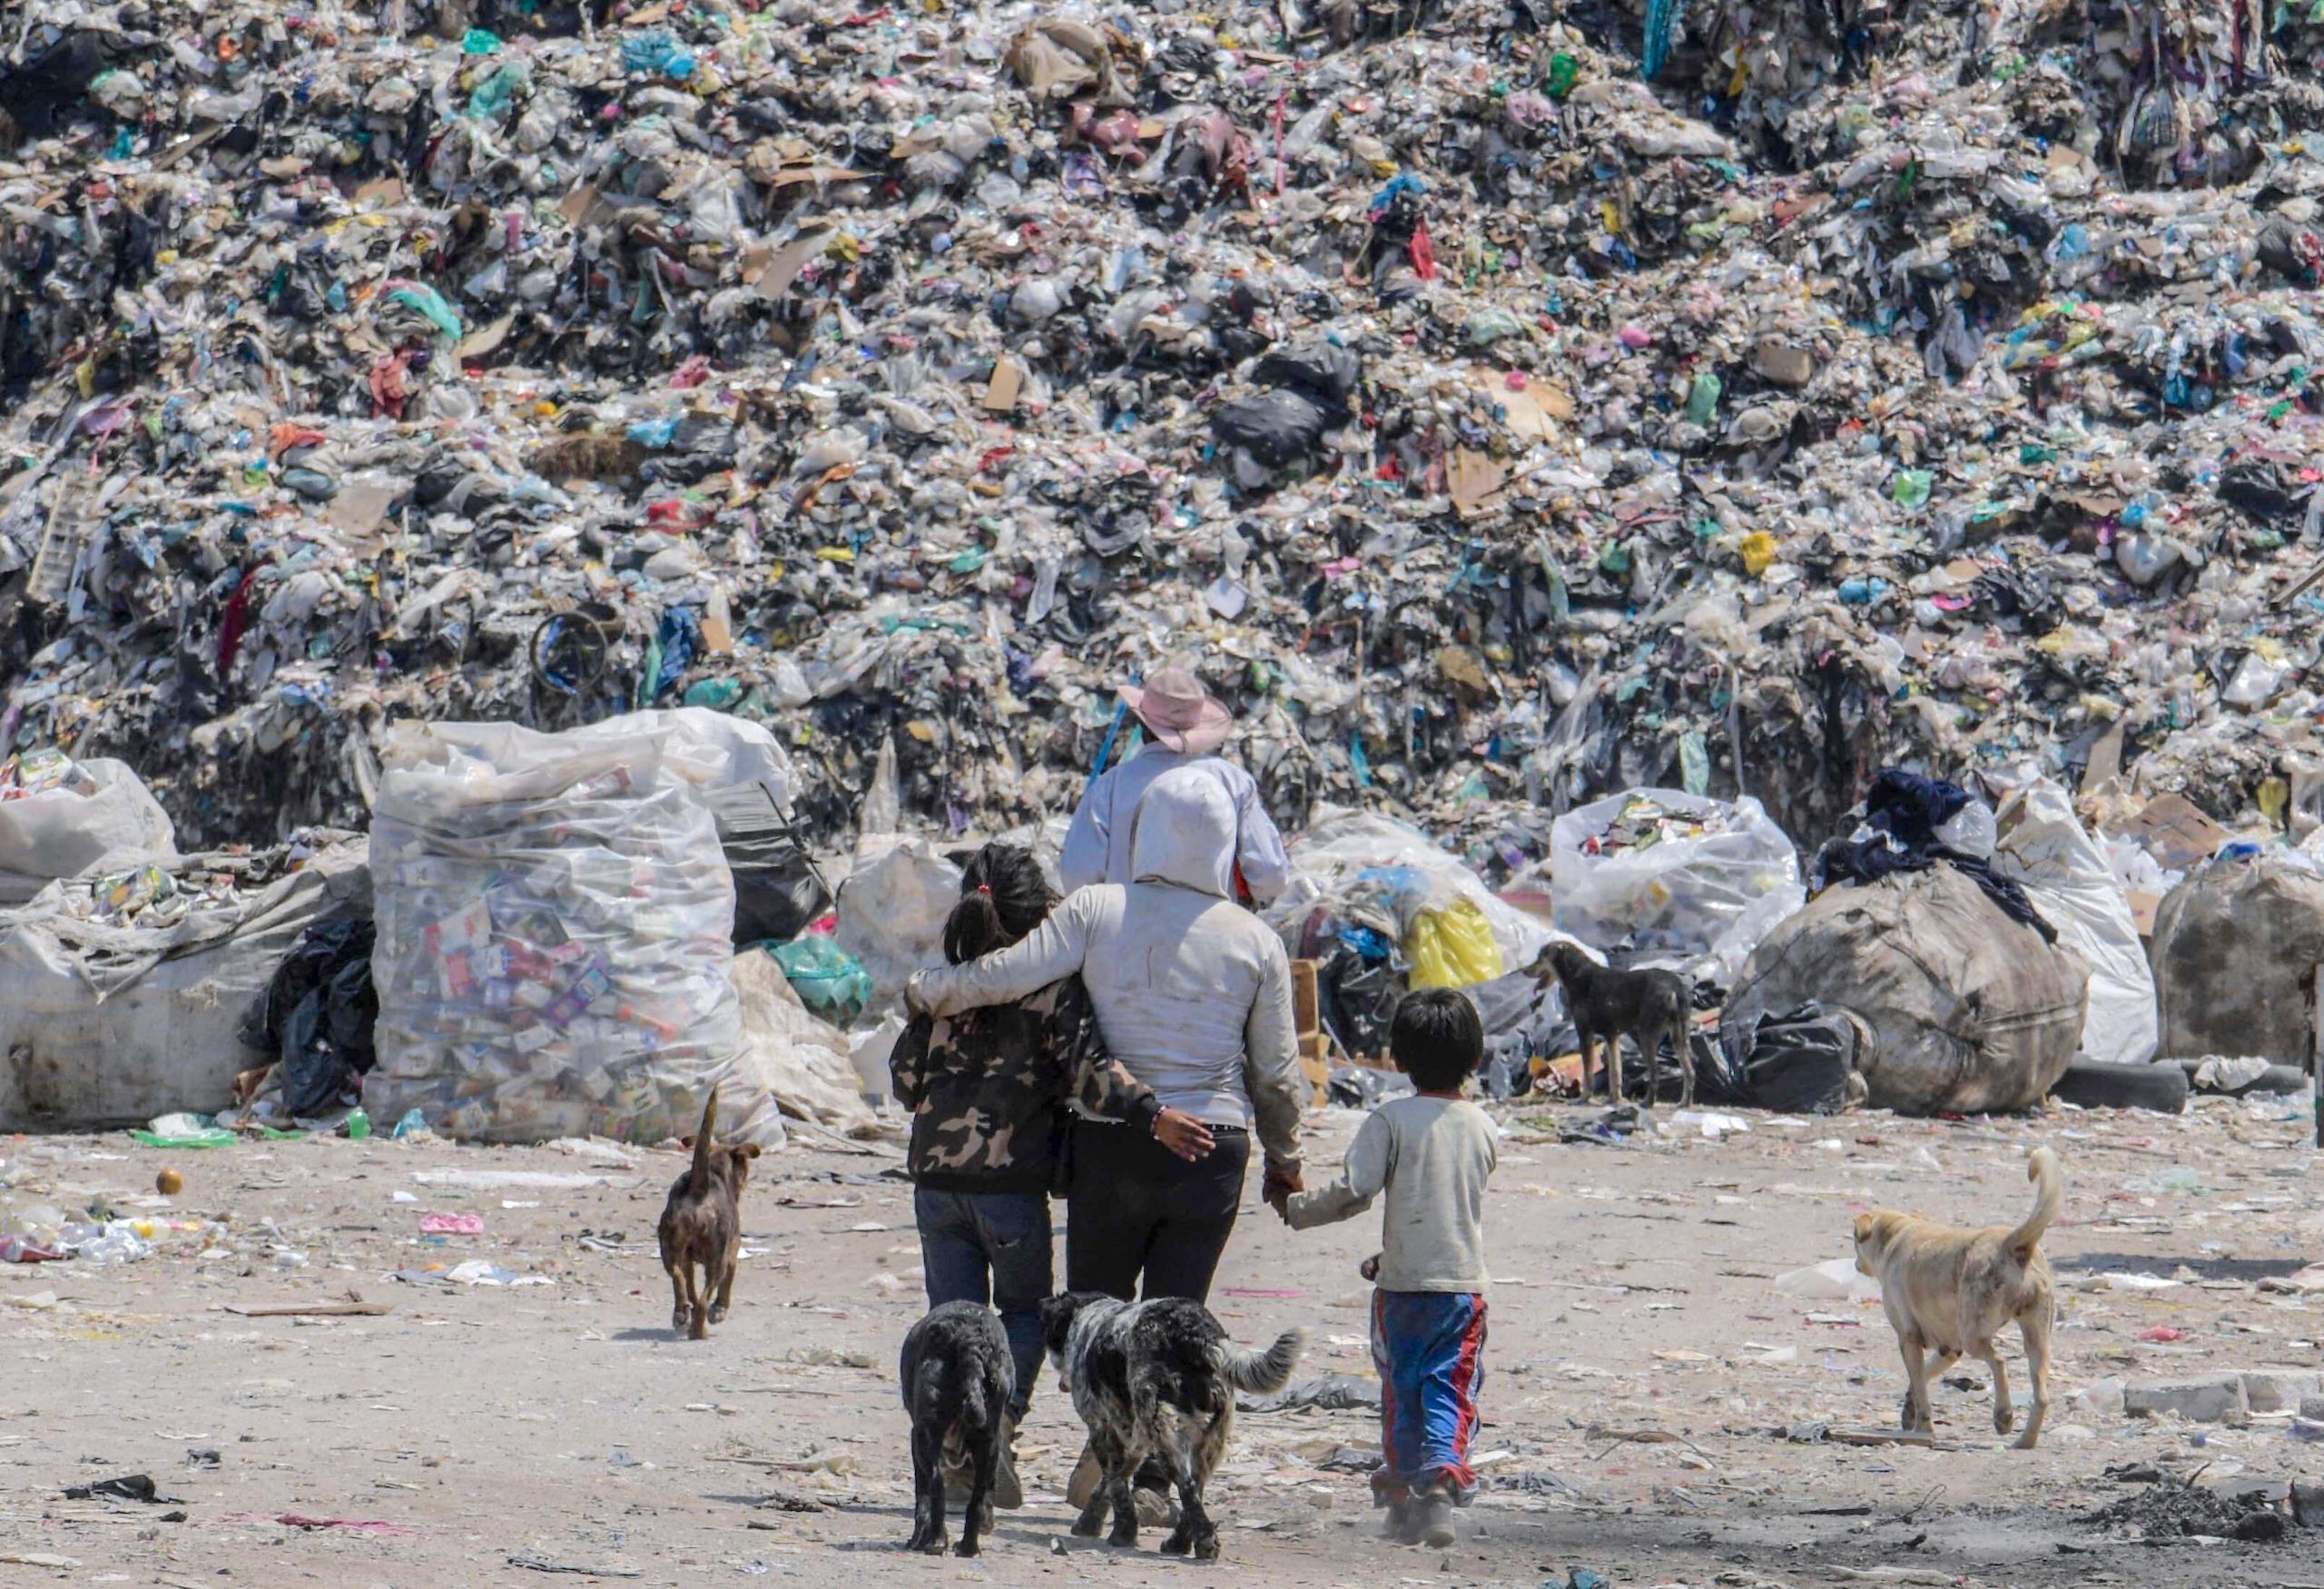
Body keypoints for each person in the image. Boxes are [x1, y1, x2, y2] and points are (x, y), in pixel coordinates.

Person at [909, 768, 1306, 1524]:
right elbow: (1277, 1073)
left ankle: (1105, 1459)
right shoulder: (1256, 939)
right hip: (1213, 1147)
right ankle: (1151, 1481)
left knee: (1098, 1320)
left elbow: (1004, 975)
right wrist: (1285, 1160)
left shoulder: (1097, 909)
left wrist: (926, 991)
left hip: (1112, 1143)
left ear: (1141, 833)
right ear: (1225, 846)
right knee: (1177, 1315)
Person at [888, 843, 1216, 1509]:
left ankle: (954, 1449)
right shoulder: (1048, 994)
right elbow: (1093, 1071)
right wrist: (1154, 1114)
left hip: (934, 1186)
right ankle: (999, 1428)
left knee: (951, 1320)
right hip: (1009, 1190)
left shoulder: (945, 986)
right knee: (1023, 1315)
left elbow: (902, 1080)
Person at [1274, 989, 1497, 1549]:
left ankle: (1401, 1497)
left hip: (1400, 1291)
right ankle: (1441, 1488)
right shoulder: (1483, 1127)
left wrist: (1294, 1208)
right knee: (1449, 1387)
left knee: (1401, 1389)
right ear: (1475, 1058)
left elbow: (1354, 1193)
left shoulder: (1390, 1120)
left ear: (1397, 1059)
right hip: (1461, 1291)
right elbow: (1445, 1206)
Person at [1059, 665, 1292, 904]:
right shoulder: (1232, 782)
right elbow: (1271, 874)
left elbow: (1078, 876)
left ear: (1142, 725)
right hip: (1210, 933)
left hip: (1125, 933)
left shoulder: (1110, 786)